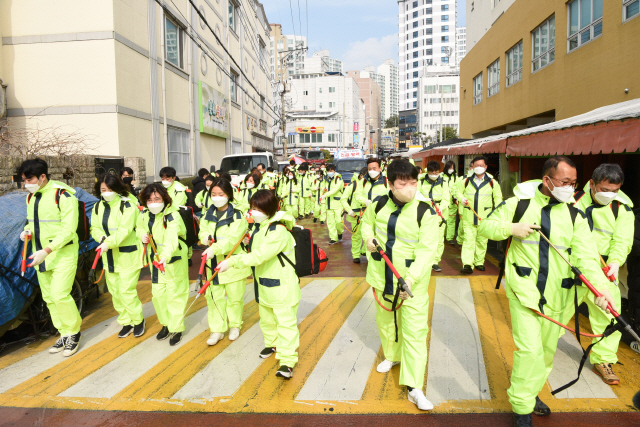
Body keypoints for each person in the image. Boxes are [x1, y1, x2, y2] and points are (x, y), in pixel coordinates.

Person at [479, 156, 616, 427]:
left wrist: (601, 289)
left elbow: (587, 258)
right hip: (525, 292)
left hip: (560, 296)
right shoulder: (517, 204)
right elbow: (485, 226)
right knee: (529, 351)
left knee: (545, 352)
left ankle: (530, 393)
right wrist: (510, 228)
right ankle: (521, 407)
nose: (570, 187)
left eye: (573, 183)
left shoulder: (575, 215)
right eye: (565, 182)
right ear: (547, 180)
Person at [361, 159, 439, 411]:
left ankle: (414, 387)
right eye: (403, 183)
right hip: (381, 277)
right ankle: (392, 356)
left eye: (414, 183)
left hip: (410, 284)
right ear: (389, 184)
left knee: (415, 333)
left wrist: (411, 280)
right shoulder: (378, 204)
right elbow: (366, 224)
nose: (410, 189)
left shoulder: (425, 211)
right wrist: (369, 239)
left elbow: (428, 251)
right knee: (386, 323)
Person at [560, 164, 633, 384]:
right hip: (571, 267)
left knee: (609, 316)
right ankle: (541, 352)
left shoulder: (622, 207)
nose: (609, 195)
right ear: (592, 184)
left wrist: (615, 262)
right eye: (604, 190)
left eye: (615, 190)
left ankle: (604, 360)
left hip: (603, 272)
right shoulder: (571, 199)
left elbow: (623, 240)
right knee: (556, 312)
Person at [217, 190, 300, 379]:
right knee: (267, 320)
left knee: (286, 324)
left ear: (269, 209)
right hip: (264, 284)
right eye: (252, 208)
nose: (253, 212)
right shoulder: (260, 228)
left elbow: (259, 256)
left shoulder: (277, 230)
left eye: (258, 208)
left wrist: (232, 262)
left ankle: (287, 361)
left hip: (282, 287)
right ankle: (272, 344)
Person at [18, 158, 83, 357]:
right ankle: (63, 333)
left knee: (60, 294)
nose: (26, 184)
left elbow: (68, 230)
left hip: (61, 253)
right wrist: (26, 231)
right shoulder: (32, 197)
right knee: (49, 298)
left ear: (43, 177)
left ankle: (74, 333)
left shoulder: (63, 196)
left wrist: (47, 250)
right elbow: (34, 222)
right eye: (24, 180)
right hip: (40, 255)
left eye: (29, 179)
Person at [91, 174, 145, 338]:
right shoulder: (98, 206)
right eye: (103, 190)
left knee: (126, 291)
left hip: (127, 255)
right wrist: (100, 238)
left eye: (109, 189)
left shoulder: (127, 206)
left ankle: (138, 320)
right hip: (109, 257)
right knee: (115, 292)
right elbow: (94, 226)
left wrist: (108, 243)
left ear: (117, 189)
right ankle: (126, 322)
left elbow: (124, 230)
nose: (106, 192)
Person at [199, 178, 251, 345]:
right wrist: (205, 238)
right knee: (214, 298)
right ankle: (217, 330)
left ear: (228, 195)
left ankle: (235, 325)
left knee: (235, 298)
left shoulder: (237, 215)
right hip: (212, 263)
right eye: (213, 194)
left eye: (220, 194)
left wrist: (214, 249)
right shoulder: (207, 213)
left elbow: (232, 239)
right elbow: (202, 231)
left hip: (232, 262)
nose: (216, 197)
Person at [137, 183, 189, 346]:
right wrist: (142, 235)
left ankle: (176, 328)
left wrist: (165, 256)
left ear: (164, 199)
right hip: (156, 258)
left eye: (157, 199)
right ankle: (166, 324)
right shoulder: (145, 213)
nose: (153, 202)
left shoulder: (172, 215)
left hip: (173, 258)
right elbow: (138, 227)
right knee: (158, 295)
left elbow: (172, 239)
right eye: (150, 199)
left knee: (175, 295)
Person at [454, 156, 502, 274]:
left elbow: (498, 198)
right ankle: (467, 264)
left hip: (484, 218)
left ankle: (479, 262)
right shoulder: (466, 181)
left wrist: (497, 213)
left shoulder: (492, 182)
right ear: (473, 167)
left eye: (481, 165)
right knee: (468, 241)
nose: (478, 168)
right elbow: (457, 192)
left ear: (485, 167)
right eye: (476, 166)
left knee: (482, 241)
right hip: (469, 217)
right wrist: (461, 198)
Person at [419, 161, 450, 272]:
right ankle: (423, 260)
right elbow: (416, 195)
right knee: (424, 237)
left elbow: (447, 198)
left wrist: (442, 207)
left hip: (440, 214)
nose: (434, 174)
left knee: (439, 239)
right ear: (427, 171)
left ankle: (435, 261)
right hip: (425, 212)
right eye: (432, 172)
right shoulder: (421, 181)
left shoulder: (444, 182)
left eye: (436, 172)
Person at [341, 167, 368, 263]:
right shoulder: (352, 185)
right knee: (357, 236)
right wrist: (349, 210)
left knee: (370, 234)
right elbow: (343, 199)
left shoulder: (371, 185)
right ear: (362, 176)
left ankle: (365, 250)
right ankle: (356, 255)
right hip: (355, 215)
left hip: (368, 214)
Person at [321, 164, 344, 245]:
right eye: (328, 171)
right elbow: (323, 187)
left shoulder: (339, 179)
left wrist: (325, 195)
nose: (329, 172)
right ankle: (333, 238)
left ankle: (340, 232)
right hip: (329, 204)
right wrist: (323, 190)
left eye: (331, 171)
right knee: (330, 222)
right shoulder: (326, 179)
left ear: (334, 171)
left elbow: (335, 190)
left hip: (338, 204)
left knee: (339, 222)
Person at [442, 160, 461, 245]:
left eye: (453, 168)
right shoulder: (441, 177)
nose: (451, 169)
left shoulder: (456, 178)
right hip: (443, 202)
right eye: (450, 168)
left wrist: (455, 197)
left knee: (451, 220)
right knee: (443, 219)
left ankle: (449, 237)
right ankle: (443, 235)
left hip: (453, 202)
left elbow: (457, 189)